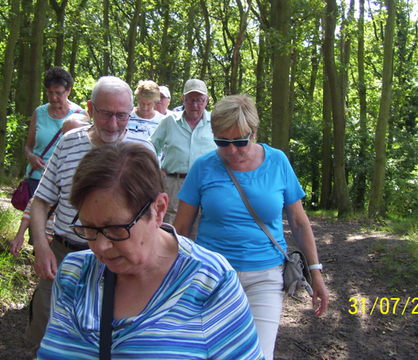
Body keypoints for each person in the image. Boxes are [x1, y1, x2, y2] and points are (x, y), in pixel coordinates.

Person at [37, 142, 264, 359]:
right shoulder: (73, 274)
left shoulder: (211, 282)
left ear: (159, 209)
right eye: (89, 228)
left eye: (116, 229)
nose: (100, 246)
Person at [174, 94, 329, 360]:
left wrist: (315, 272)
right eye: (222, 142)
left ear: (254, 133)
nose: (231, 150)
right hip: (213, 275)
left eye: (239, 142)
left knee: (257, 354)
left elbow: (299, 222)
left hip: (266, 277)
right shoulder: (203, 167)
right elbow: (181, 227)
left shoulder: (278, 162)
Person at [25, 76, 155, 346]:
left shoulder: (142, 149)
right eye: (106, 114)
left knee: (109, 340)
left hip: (120, 259)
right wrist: (41, 246)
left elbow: (153, 215)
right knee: (47, 334)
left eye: (122, 115)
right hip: (64, 254)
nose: (114, 124)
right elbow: (41, 200)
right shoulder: (69, 143)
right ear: (90, 108)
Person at [10, 112, 92, 258]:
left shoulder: (102, 164)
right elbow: (37, 200)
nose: (70, 139)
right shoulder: (55, 163)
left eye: (76, 134)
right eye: (66, 135)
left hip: (88, 247)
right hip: (52, 242)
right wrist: (20, 234)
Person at [150, 78, 215, 226]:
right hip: (174, 184)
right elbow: (150, 146)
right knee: (172, 230)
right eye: (190, 99)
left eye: (199, 100)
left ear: (207, 100)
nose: (194, 105)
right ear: (183, 99)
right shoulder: (169, 121)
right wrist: (155, 168)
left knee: (200, 228)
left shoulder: (216, 123)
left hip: (205, 186)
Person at [24, 67, 83, 196]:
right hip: (37, 179)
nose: (54, 97)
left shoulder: (80, 115)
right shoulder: (39, 113)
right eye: (50, 92)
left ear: (68, 91)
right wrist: (31, 157)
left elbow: (83, 152)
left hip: (64, 182)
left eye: (58, 93)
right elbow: (29, 146)